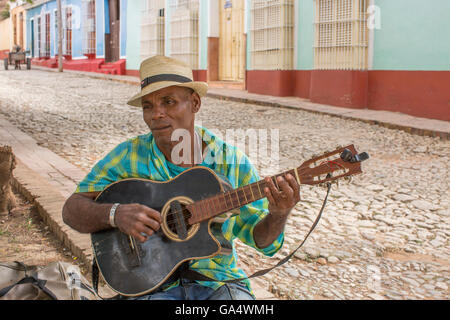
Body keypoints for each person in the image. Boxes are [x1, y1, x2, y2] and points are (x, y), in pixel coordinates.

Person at [62, 55, 301, 300]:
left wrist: (279, 214)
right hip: (150, 288)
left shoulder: (230, 162)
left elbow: (262, 240)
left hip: (218, 284)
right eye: (148, 106)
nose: (157, 114)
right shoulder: (129, 156)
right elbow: (71, 209)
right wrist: (114, 214)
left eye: (168, 102)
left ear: (195, 103)